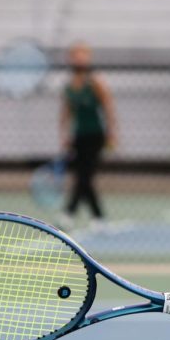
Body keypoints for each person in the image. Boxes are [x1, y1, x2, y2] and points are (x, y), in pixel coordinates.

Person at [59, 42, 116, 229]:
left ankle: (70, 212)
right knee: (83, 177)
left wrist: (112, 133)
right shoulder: (68, 86)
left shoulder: (96, 82)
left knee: (84, 176)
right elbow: (66, 113)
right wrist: (64, 135)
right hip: (78, 135)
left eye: (83, 55)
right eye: (75, 55)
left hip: (96, 135)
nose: (79, 58)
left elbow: (108, 108)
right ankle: (97, 217)